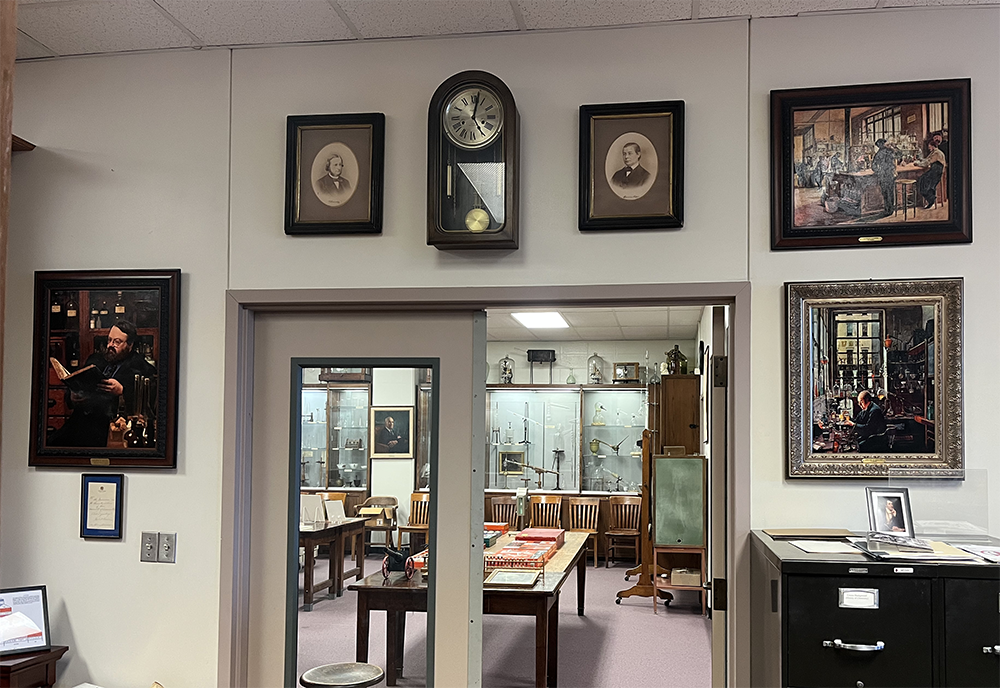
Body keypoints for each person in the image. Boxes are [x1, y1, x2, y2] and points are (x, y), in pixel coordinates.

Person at [48, 321, 157, 447]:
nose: (110, 345)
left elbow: (150, 398)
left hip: (109, 427)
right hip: (80, 422)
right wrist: (72, 395)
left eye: (117, 342)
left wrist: (122, 391)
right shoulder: (95, 359)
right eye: (109, 340)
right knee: (52, 445)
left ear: (130, 345)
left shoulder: (141, 366)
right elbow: (77, 381)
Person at [914, 138, 946, 210]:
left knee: (922, 180)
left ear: (933, 146)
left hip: (936, 172)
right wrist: (920, 160)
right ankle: (930, 198)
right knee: (923, 180)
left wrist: (917, 163)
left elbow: (927, 163)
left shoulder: (937, 153)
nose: (929, 148)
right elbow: (927, 159)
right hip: (934, 171)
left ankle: (931, 199)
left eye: (929, 146)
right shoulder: (934, 152)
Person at [870, 138, 897, 215]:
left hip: (883, 175)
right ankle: (891, 209)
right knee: (890, 192)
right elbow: (897, 158)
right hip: (891, 174)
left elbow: (873, 166)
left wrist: (879, 172)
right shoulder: (891, 151)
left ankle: (887, 209)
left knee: (885, 192)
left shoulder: (878, 154)